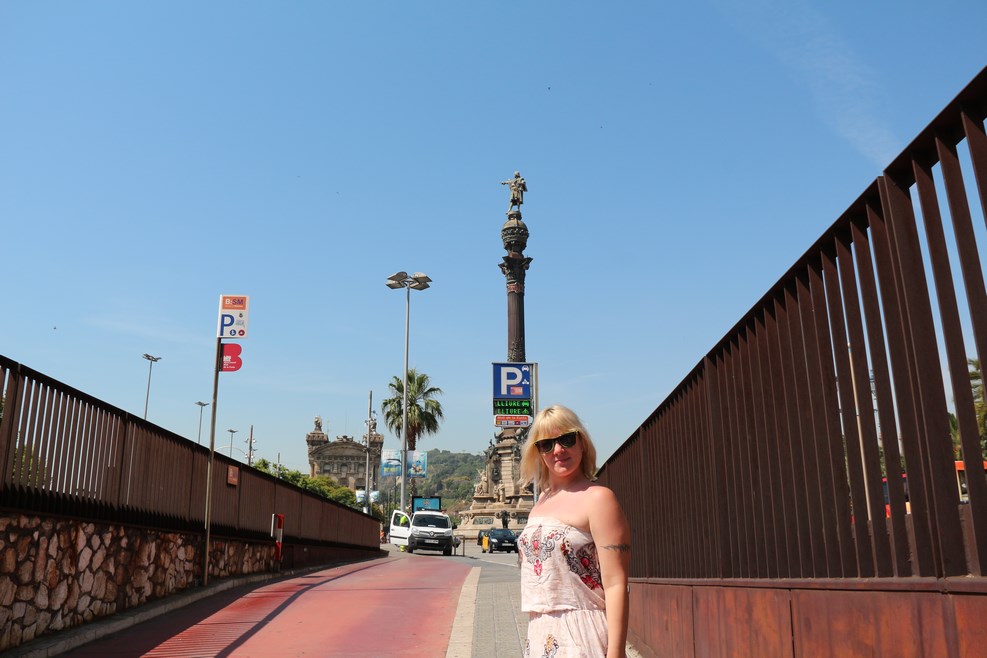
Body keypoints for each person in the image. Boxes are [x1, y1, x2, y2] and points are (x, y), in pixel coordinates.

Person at [517, 405, 631, 658]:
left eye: (566, 439)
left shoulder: (598, 498)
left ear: (582, 442)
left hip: (583, 636)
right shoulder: (540, 503)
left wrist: (616, 652)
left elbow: (615, 583)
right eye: (546, 444)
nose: (558, 450)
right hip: (539, 635)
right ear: (538, 453)